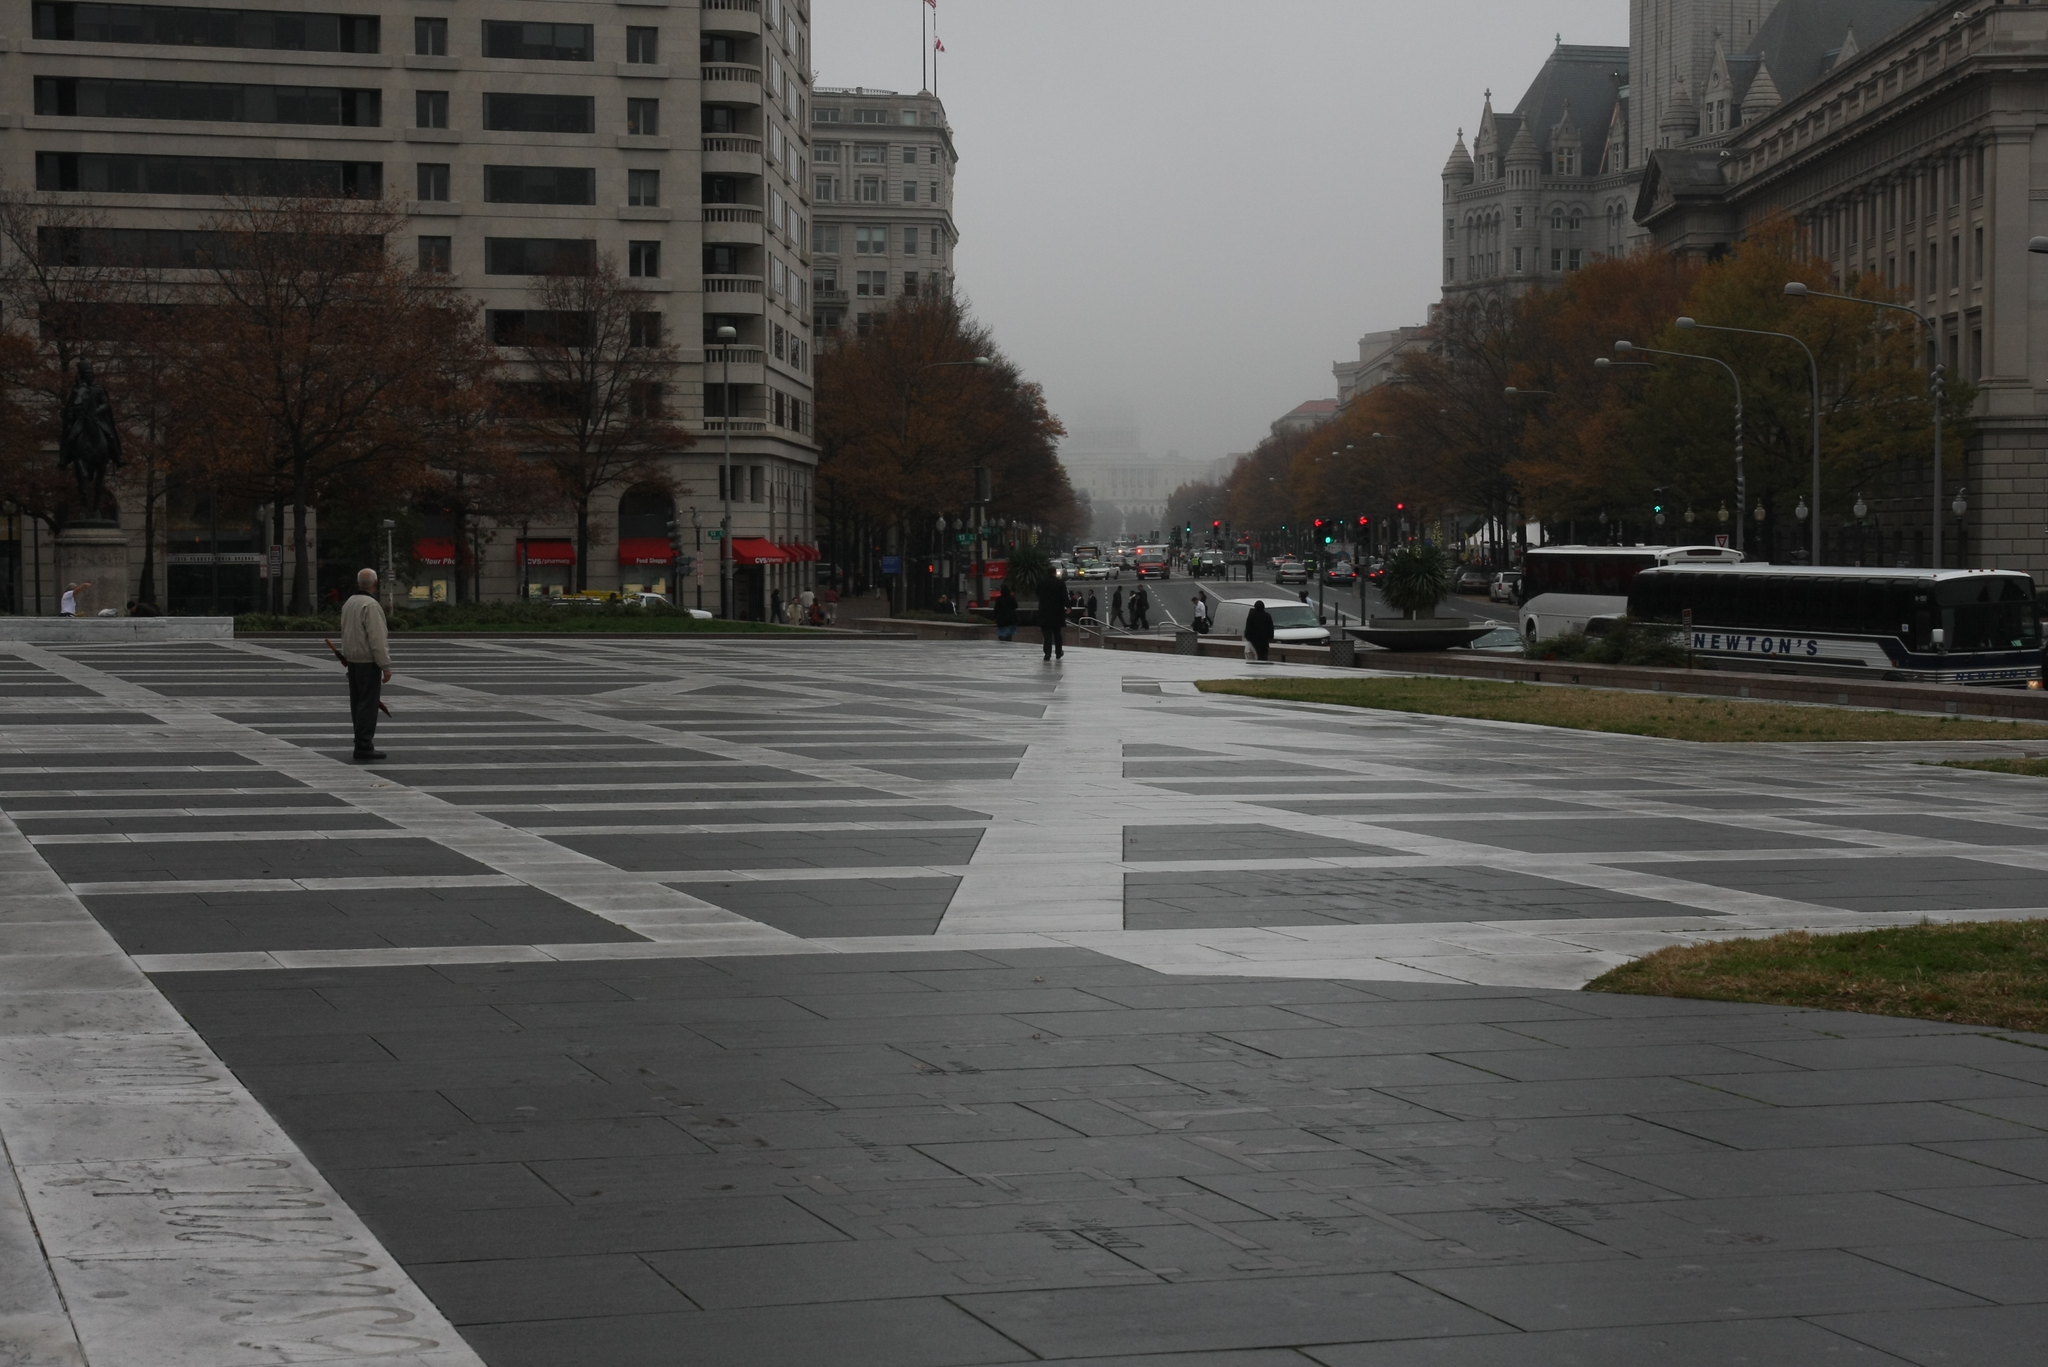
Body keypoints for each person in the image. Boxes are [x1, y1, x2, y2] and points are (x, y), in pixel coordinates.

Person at [339, 568, 393, 761]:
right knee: (368, 705)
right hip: (368, 662)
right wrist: (385, 665)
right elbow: (377, 638)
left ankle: (360, 742)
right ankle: (364, 745)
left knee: (357, 704)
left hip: (352, 661)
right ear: (375, 584)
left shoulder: (349, 603)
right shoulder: (370, 605)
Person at [1038, 580, 1067, 660]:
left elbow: (1038, 594)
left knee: (1047, 635)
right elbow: (1064, 596)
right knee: (1057, 634)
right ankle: (1058, 652)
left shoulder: (1042, 582)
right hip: (1057, 613)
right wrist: (1068, 606)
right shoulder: (1060, 583)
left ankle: (1047, 653)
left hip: (1045, 613)